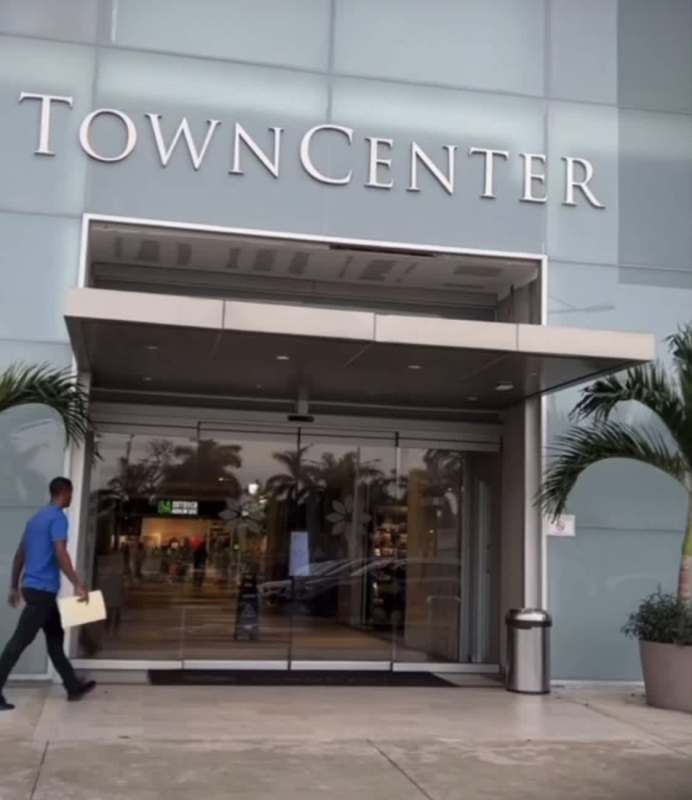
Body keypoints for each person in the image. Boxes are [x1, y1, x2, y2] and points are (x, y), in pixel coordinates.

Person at [0, 477, 96, 711]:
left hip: (35, 590)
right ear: (65, 493)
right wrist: (77, 583)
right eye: (71, 493)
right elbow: (60, 552)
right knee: (19, 642)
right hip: (42, 591)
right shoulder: (57, 518)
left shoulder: (36, 519)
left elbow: (20, 554)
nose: (72, 498)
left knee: (55, 639)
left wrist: (14, 586)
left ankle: (73, 686)